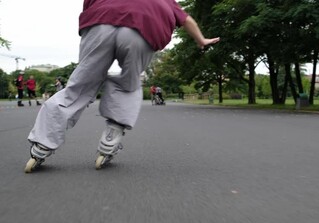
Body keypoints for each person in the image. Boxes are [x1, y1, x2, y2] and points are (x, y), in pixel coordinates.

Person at [24, 0, 220, 173]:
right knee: (129, 84)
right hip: (144, 27)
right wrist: (201, 40)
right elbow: (187, 20)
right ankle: (110, 139)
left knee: (79, 85)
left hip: (101, 21)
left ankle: (42, 144)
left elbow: (89, 5)